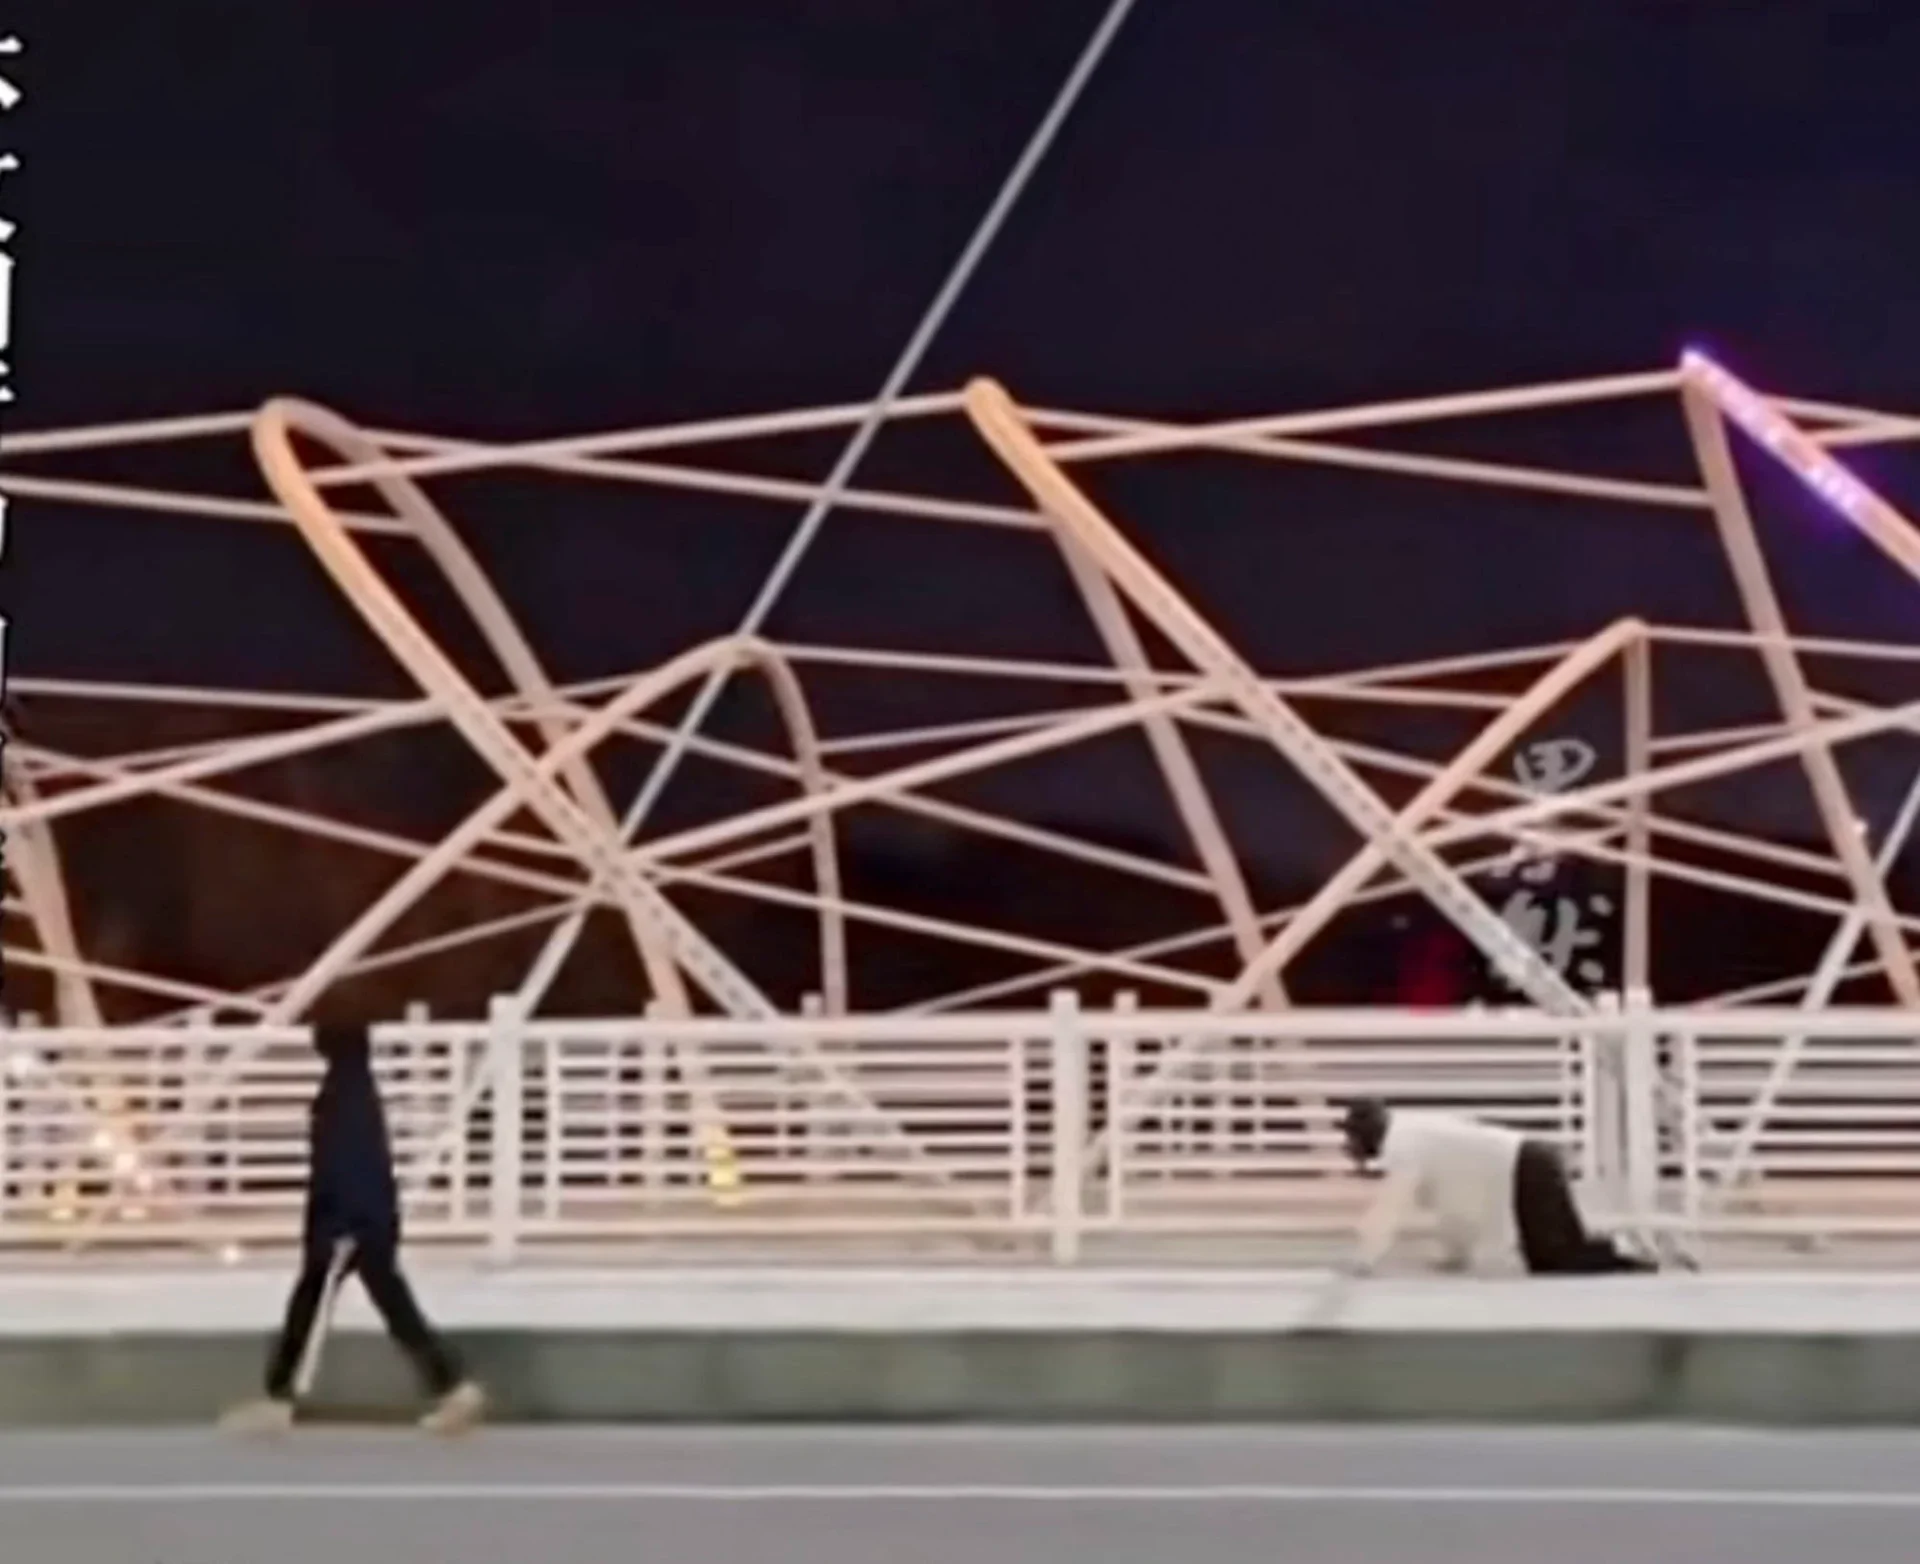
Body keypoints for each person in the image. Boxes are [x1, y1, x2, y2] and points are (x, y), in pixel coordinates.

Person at [222, 1021, 487, 1435]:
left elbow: (343, 1163)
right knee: (392, 1306)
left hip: (346, 1223)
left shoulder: (342, 1095)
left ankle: (280, 1398)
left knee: (310, 1307)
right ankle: (452, 1385)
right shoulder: (357, 1089)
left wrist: (338, 1225)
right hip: (368, 1219)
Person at [1336, 1097, 1656, 1277]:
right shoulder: (1410, 1133)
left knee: (1556, 1259)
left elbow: (1391, 1207)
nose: (1351, 1145)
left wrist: (1363, 1259)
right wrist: (1455, 1256)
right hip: (1529, 1161)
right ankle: (1625, 1249)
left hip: (1528, 1165)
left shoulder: (1402, 1145)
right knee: (1554, 1256)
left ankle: (1629, 1250)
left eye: (1352, 1137)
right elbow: (1449, 1202)